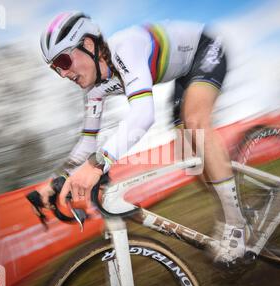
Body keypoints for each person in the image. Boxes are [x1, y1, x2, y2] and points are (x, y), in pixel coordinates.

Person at [37, 11, 248, 266]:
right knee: (191, 161)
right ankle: (234, 210)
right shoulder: (94, 90)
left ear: (88, 44)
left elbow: (143, 115)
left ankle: (237, 225)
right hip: (183, 74)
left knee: (195, 122)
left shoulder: (124, 48)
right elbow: (87, 142)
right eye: (55, 68)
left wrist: (97, 164)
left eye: (63, 61)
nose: (63, 74)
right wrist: (57, 179)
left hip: (206, 49)